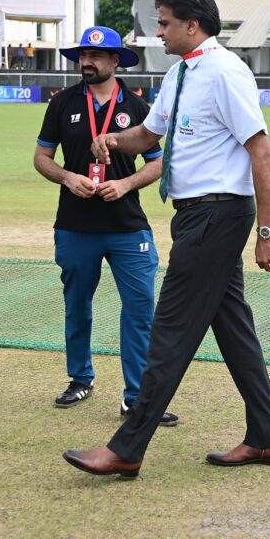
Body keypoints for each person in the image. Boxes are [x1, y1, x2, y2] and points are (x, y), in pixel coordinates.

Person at [62, 0, 270, 478]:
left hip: (218, 213)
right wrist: (113, 141)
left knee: (169, 331)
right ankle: (267, 439)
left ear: (192, 23)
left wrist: (266, 233)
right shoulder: (181, 74)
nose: (155, 31)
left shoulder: (225, 72)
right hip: (194, 216)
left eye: (163, 23)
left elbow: (261, 151)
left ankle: (127, 447)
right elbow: (148, 134)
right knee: (234, 331)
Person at [34, 25, 177, 426]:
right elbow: (42, 158)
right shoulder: (61, 104)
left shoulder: (136, 107)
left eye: (96, 56)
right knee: (77, 305)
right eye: (83, 55)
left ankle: (137, 396)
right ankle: (80, 378)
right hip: (75, 225)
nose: (87, 61)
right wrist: (66, 177)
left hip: (127, 226)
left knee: (140, 310)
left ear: (116, 60)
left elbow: (158, 163)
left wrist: (126, 183)